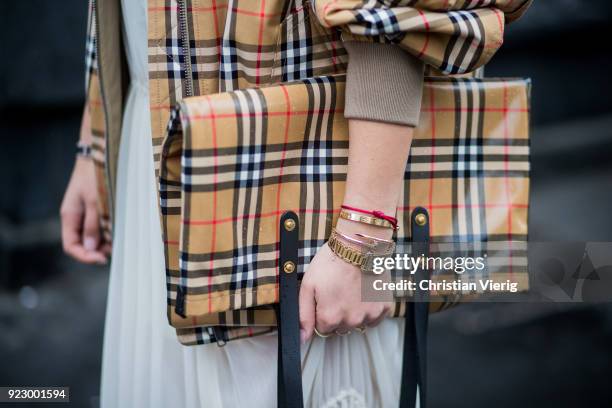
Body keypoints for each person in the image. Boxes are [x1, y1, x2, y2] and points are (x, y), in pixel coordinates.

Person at [60, 0, 530, 406]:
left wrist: (362, 234)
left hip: (304, 175)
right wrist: (96, 141)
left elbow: (392, 15)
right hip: (157, 136)